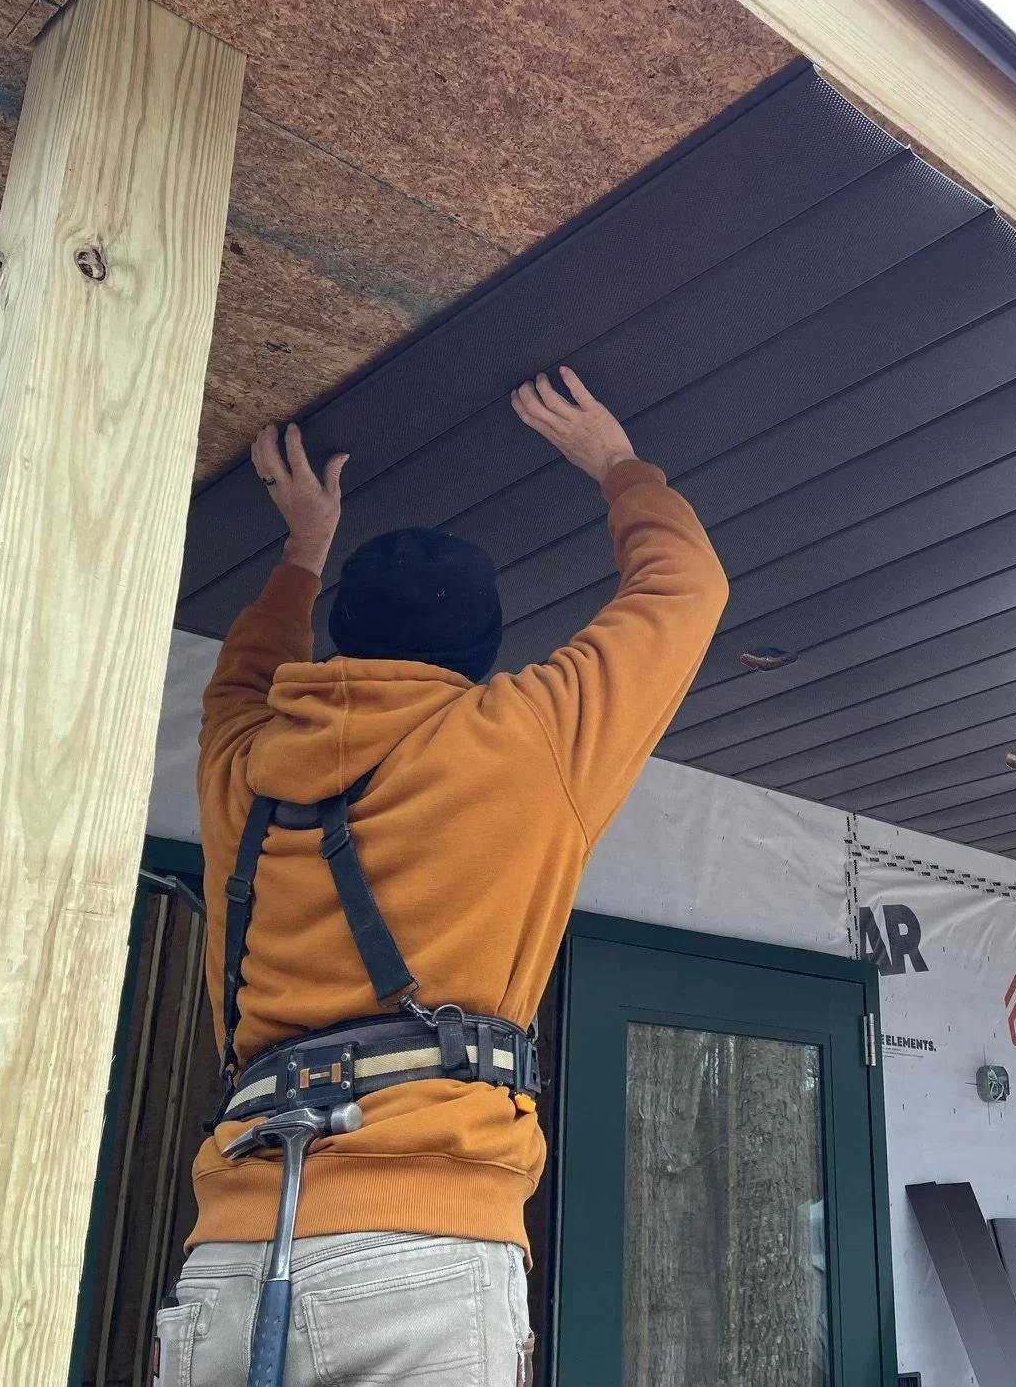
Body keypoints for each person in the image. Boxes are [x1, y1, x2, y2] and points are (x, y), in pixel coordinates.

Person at [154, 368, 727, 1386]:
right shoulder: (518, 741)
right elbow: (687, 590)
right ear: (482, 654)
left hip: (233, 1257)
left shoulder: (247, 766)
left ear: (343, 637)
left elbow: (244, 676)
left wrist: (301, 548)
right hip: (421, 1256)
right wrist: (613, 460)